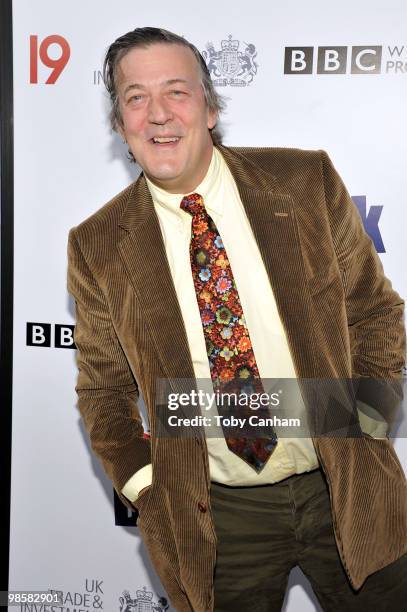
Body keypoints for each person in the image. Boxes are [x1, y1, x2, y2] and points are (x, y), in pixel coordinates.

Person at [67, 27, 407, 612]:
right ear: (120, 125)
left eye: (176, 91)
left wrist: (364, 423)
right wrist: (150, 492)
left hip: (345, 487)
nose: (158, 114)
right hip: (217, 518)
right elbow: (103, 392)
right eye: (135, 97)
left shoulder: (304, 184)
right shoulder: (98, 244)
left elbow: (374, 313)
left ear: (211, 107)